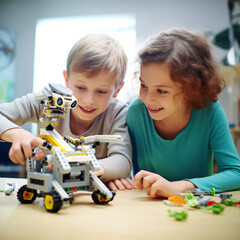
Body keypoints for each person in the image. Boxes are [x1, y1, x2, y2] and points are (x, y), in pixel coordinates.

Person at [0, 33, 134, 191]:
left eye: (101, 91)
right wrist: (16, 134)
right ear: (66, 79)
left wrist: (85, 168)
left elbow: (122, 161)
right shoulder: (48, 100)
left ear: (117, 89)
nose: (88, 100)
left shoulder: (117, 113)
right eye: (80, 88)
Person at [126, 28, 240, 198]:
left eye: (161, 91)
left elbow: (235, 173)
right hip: (147, 207)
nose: (148, 99)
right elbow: (131, 174)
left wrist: (179, 187)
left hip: (195, 208)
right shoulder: (136, 112)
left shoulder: (210, 113)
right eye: (144, 86)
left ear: (192, 87)